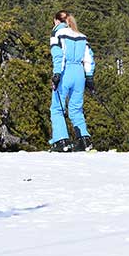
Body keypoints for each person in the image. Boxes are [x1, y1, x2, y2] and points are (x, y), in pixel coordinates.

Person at [49, 10, 95, 152]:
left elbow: (58, 55)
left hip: (65, 72)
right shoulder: (82, 36)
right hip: (79, 74)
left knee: (57, 108)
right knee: (76, 109)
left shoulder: (57, 34)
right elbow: (89, 58)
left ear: (57, 21)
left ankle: (61, 141)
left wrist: (56, 74)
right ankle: (84, 140)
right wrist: (89, 77)